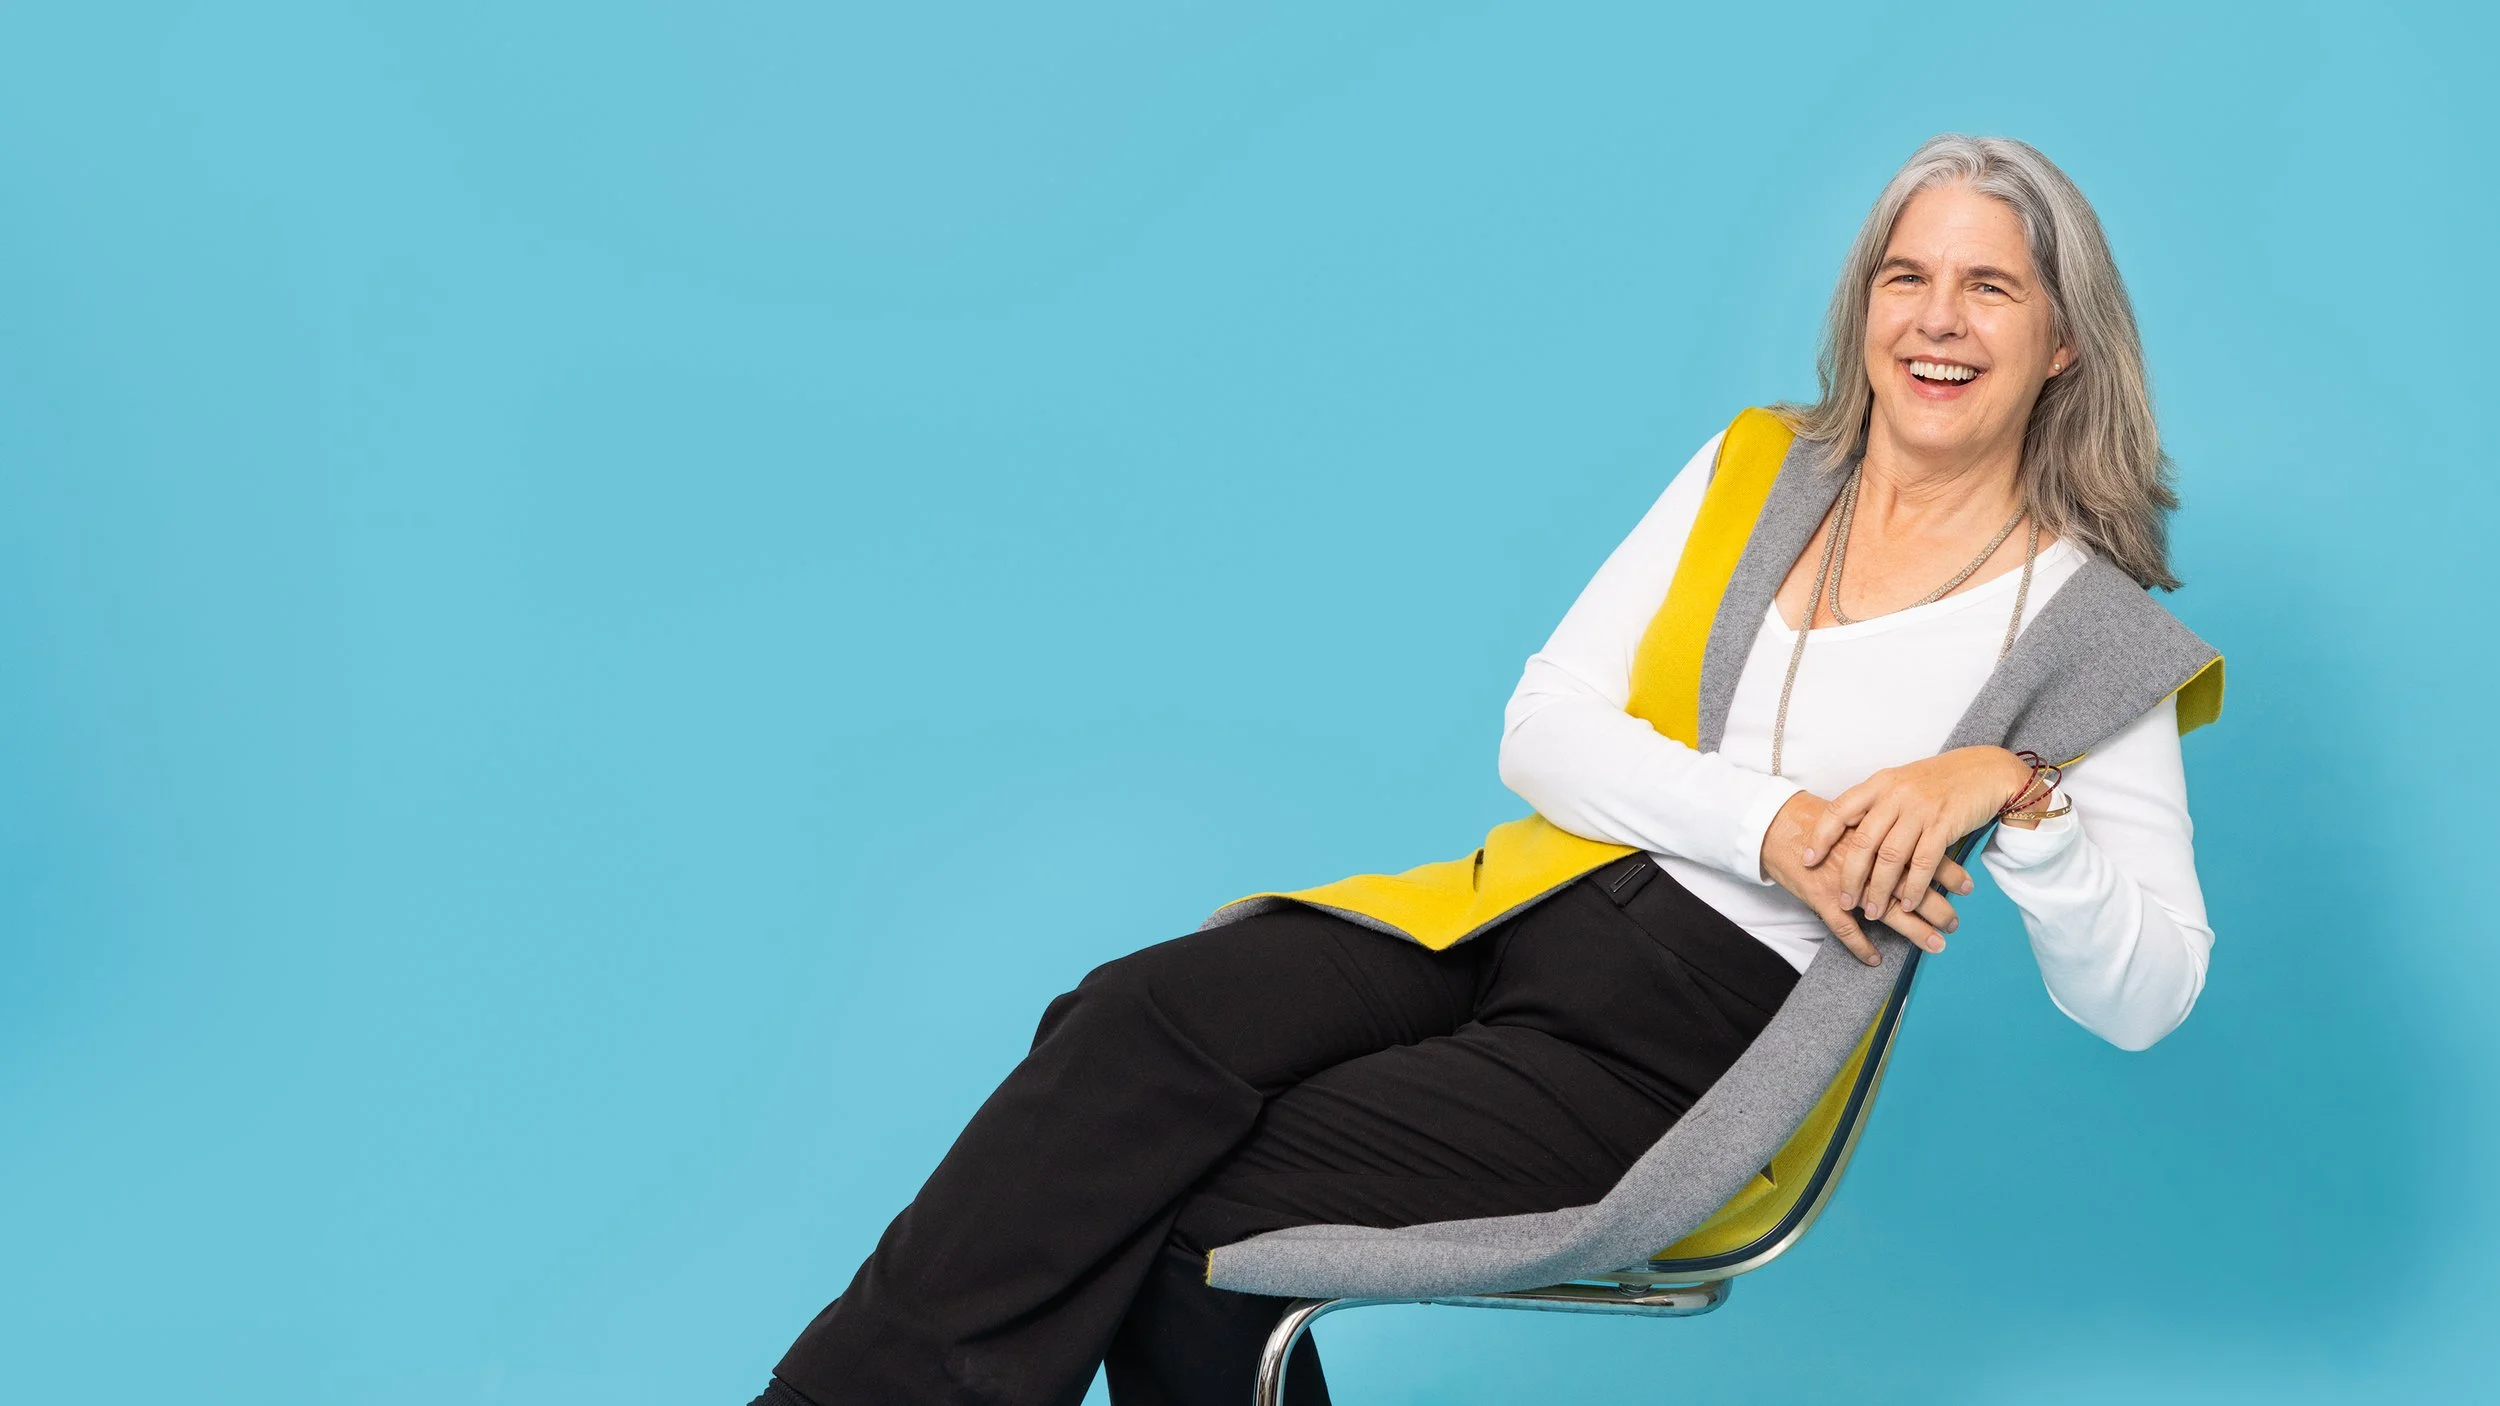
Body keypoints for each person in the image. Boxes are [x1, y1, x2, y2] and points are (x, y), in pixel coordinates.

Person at [750, 133, 2222, 1406]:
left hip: (1684, 1046)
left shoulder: (2087, 630)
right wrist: (1773, 824)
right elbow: (1546, 725)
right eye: (1908, 276)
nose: (1938, 319)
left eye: (1991, 285)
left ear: (2063, 339)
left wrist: (2019, 798)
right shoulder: (1760, 468)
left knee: (1204, 1207)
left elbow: (2149, 996)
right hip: (1528, 908)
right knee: (1131, 1024)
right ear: (1866, 304)